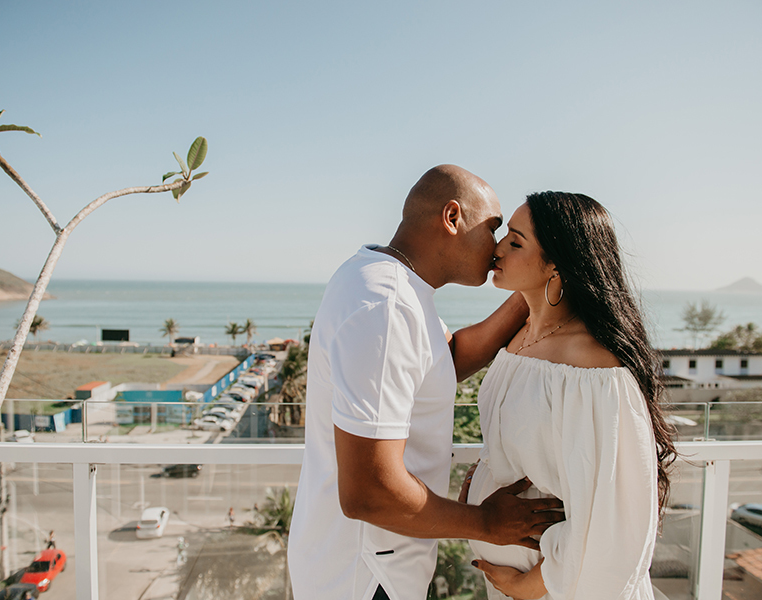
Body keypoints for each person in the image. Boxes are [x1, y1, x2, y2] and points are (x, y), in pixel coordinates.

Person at [288, 166, 565, 600]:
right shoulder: (385, 305)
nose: (496, 246)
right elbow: (368, 492)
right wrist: (488, 524)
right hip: (365, 579)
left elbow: (443, 361)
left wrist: (533, 288)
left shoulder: (383, 282)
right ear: (452, 217)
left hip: (373, 567)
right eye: (492, 228)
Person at [461, 192, 677, 599]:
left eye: (516, 241)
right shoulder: (519, 339)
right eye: (506, 234)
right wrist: (479, 485)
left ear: (556, 266)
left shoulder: (594, 367)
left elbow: (615, 518)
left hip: (558, 590)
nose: (498, 248)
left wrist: (529, 586)